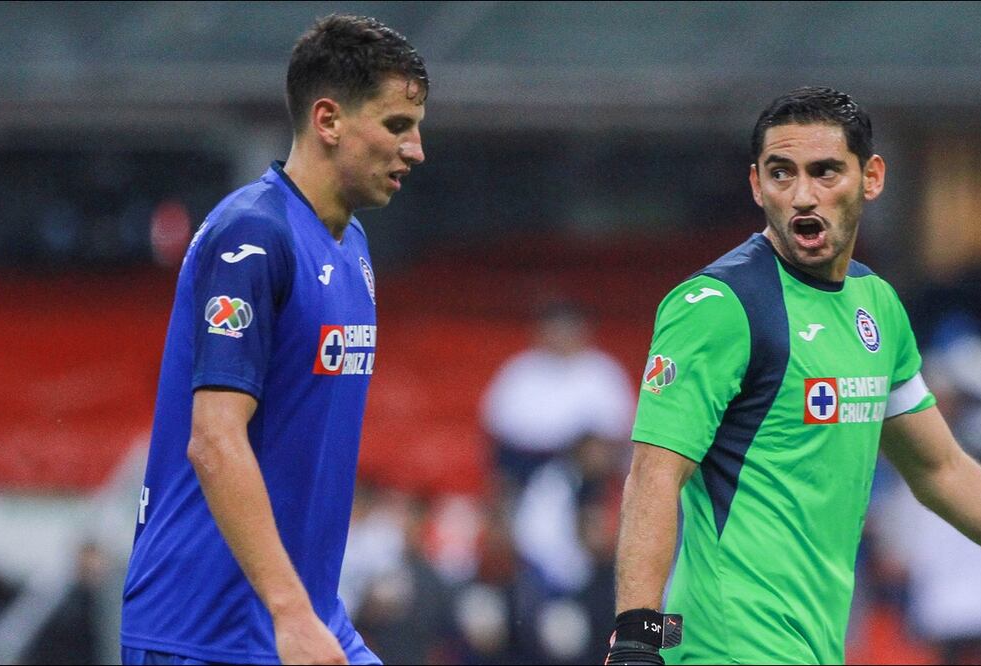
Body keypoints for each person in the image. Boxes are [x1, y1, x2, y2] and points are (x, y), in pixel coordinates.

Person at [605, 86, 981, 665]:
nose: (802, 195)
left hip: (817, 645)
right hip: (729, 646)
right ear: (756, 184)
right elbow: (654, 475)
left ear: (871, 178)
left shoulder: (878, 306)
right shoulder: (719, 305)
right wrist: (638, 638)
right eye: (781, 173)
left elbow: (939, 468)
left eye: (825, 172)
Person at [120, 14, 427, 665]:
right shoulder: (252, 237)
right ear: (328, 120)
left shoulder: (353, 247)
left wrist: (300, 613)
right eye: (397, 126)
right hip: (206, 631)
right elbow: (213, 439)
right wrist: (289, 614)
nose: (415, 150)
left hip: (305, 618)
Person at [481, 301, 635, 492]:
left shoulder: (602, 370)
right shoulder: (521, 368)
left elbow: (616, 424)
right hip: (525, 457)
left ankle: (588, 517)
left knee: (595, 455)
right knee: (502, 465)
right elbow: (497, 419)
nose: (559, 337)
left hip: (579, 458)